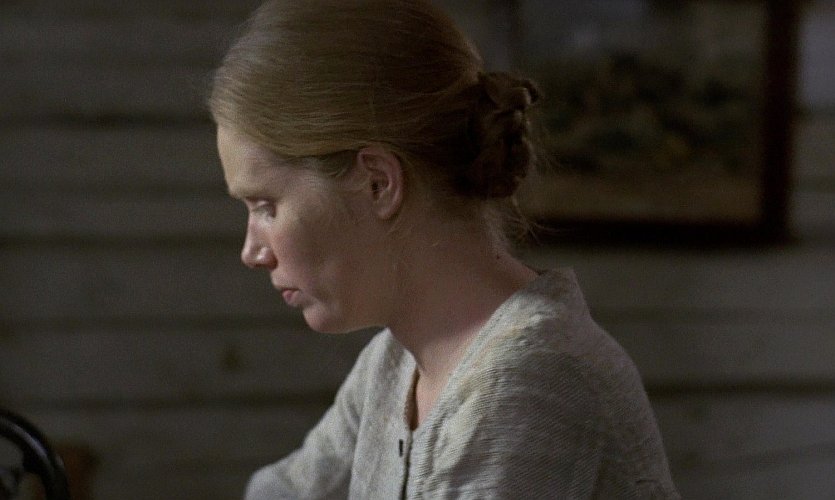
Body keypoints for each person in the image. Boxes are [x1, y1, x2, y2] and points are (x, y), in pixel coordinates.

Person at [209, 0, 679, 498]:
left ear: (377, 183)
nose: (252, 252)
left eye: (266, 206)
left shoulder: (532, 381)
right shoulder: (395, 363)